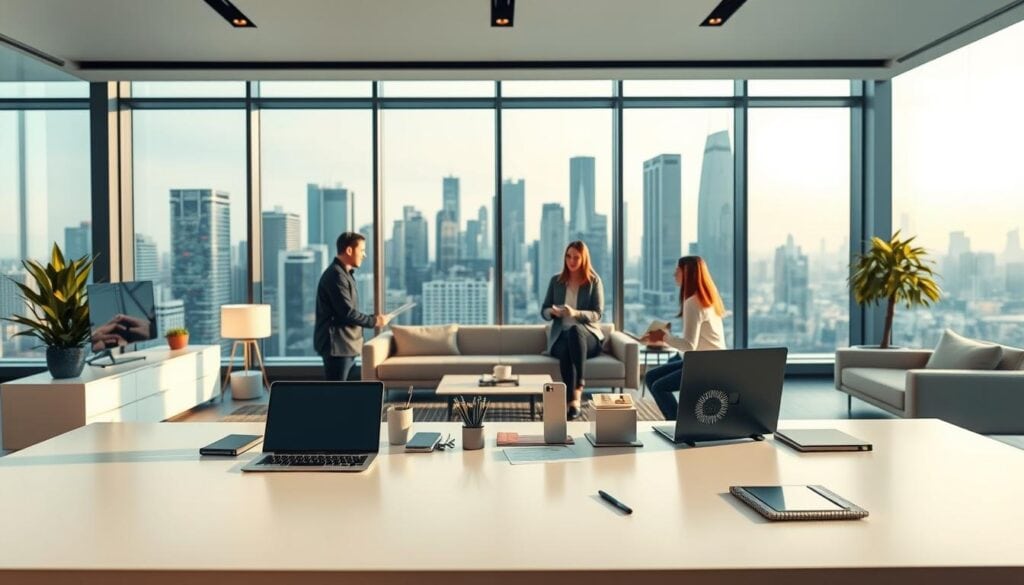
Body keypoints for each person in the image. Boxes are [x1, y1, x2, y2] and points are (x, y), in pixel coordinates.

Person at [642, 256, 727, 420]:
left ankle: (677, 423)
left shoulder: (692, 303)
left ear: (687, 274)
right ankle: (678, 419)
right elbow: (697, 340)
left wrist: (663, 337)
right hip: (710, 361)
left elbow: (689, 345)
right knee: (651, 377)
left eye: (678, 270)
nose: (674, 274)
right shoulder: (708, 298)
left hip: (705, 366)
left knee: (659, 387)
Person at [541, 241, 605, 420]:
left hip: (587, 336)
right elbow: (544, 310)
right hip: (561, 336)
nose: (572, 260)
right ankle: (574, 402)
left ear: (584, 258)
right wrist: (552, 312)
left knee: (575, 332)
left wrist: (575, 313)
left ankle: (578, 387)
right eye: (568, 256)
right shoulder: (556, 281)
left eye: (576, 257)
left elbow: (597, 314)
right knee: (566, 349)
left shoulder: (593, 281)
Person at [314, 232, 389, 382]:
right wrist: (374, 321)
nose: (364, 254)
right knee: (337, 394)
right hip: (337, 346)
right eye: (361, 250)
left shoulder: (344, 274)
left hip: (345, 345)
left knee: (346, 393)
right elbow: (347, 313)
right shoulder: (336, 276)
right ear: (349, 250)